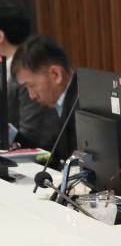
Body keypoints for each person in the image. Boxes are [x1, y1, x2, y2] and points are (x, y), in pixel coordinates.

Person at [8, 32, 77, 162]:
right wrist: (11, 134)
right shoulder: (62, 103)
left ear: (56, 74)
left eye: (31, 86)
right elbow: (50, 156)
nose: (31, 96)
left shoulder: (82, 105)